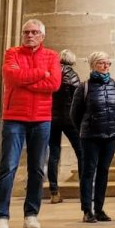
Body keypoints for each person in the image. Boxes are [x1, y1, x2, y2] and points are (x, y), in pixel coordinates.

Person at [0, 19, 61, 228]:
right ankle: (1, 217)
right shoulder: (12, 53)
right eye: (26, 32)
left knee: (37, 168)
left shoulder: (51, 56)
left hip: (41, 118)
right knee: (8, 167)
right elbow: (12, 77)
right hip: (14, 117)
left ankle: (31, 214)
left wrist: (27, 80)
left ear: (42, 36)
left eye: (34, 32)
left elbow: (54, 84)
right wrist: (41, 73)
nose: (29, 35)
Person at [71, 51, 115, 223]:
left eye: (108, 63)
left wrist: (113, 125)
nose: (105, 66)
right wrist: (86, 128)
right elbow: (75, 114)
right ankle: (87, 209)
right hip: (90, 136)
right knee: (88, 171)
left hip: (110, 135)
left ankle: (99, 209)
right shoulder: (84, 87)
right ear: (93, 65)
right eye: (101, 63)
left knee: (103, 170)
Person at [46, 49, 82, 204]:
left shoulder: (51, 74)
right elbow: (78, 99)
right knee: (81, 152)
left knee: (54, 154)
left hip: (52, 118)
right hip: (69, 119)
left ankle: (54, 191)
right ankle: (84, 189)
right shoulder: (72, 76)